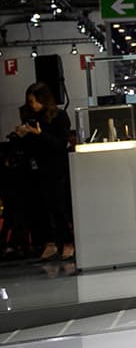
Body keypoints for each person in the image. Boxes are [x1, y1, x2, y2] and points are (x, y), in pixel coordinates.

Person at [11, 82, 73, 260]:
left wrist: (39, 134)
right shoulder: (29, 117)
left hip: (56, 168)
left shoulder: (59, 116)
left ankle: (67, 242)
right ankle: (49, 242)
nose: (32, 105)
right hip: (36, 168)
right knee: (41, 208)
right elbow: (29, 147)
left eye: (34, 101)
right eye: (30, 102)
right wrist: (22, 135)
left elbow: (61, 143)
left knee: (59, 206)